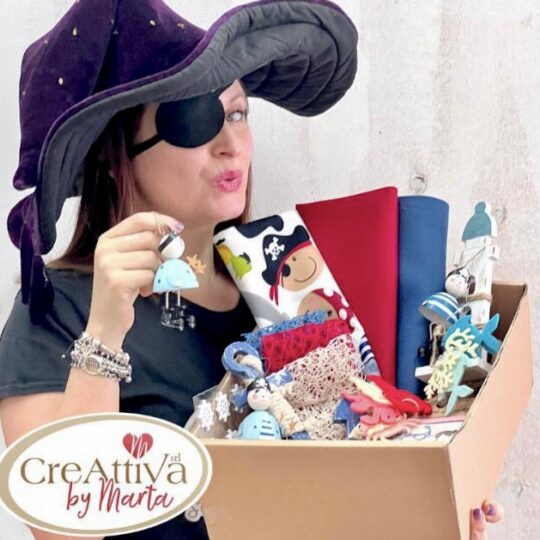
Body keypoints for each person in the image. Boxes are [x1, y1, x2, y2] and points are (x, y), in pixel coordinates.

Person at [0, 0, 502, 539]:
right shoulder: (55, 310)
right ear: (115, 152)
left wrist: (433, 511)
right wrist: (104, 332)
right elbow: (63, 532)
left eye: (238, 113)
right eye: (195, 119)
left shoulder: (284, 289)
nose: (230, 145)